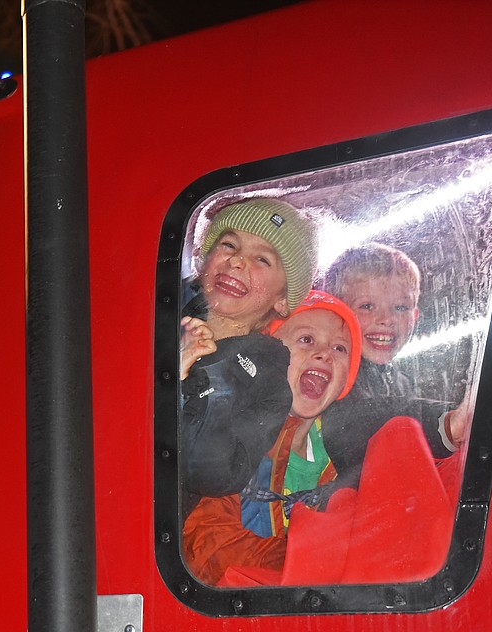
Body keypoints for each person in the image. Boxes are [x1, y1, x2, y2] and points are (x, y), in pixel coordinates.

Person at [181, 291, 362, 586]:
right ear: (269, 356)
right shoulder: (234, 431)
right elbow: (207, 544)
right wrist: (311, 566)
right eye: (306, 340)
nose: (324, 354)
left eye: (341, 349)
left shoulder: (344, 452)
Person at [178, 197, 318, 505]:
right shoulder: (157, 309)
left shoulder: (267, 383)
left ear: (282, 301)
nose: (238, 261)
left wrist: (197, 382)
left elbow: (215, 475)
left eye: (263, 260)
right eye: (229, 245)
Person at [317, 243, 471, 485]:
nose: (387, 319)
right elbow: (360, 436)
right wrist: (447, 428)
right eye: (368, 306)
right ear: (337, 311)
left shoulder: (398, 379)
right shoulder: (332, 370)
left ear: (415, 316)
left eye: (400, 307)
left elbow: (405, 409)